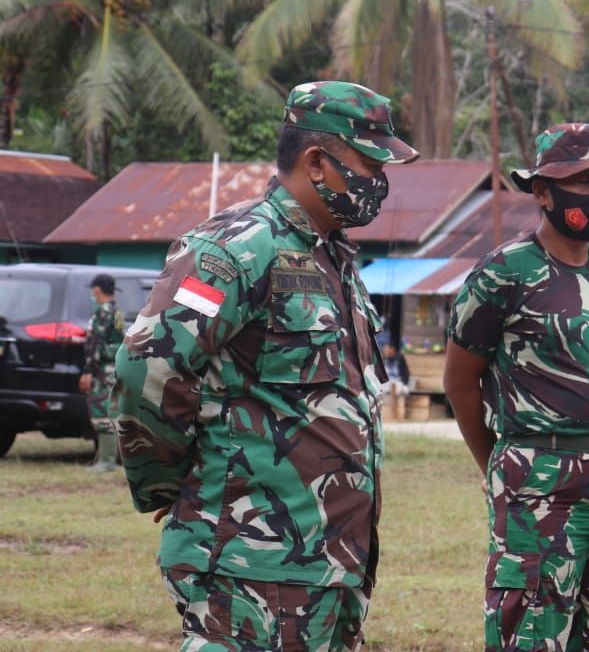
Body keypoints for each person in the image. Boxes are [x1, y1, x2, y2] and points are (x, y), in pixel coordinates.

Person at [115, 81, 419, 651]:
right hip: (250, 558)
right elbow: (146, 367)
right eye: (369, 164)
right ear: (317, 162)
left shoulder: (332, 257)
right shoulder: (233, 250)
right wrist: (164, 483)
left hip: (328, 558)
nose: (379, 182)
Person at [443, 123, 589, 652]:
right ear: (541, 191)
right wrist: (499, 464)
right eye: (581, 181)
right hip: (539, 480)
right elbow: (461, 381)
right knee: (532, 629)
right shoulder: (503, 274)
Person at [79, 272, 125, 473]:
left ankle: (106, 461)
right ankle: (105, 458)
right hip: (113, 370)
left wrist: (87, 371)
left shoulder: (101, 314)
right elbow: (121, 343)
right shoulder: (118, 313)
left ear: (97, 290)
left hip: (100, 372)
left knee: (101, 414)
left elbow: (94, 346)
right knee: (110, 411)